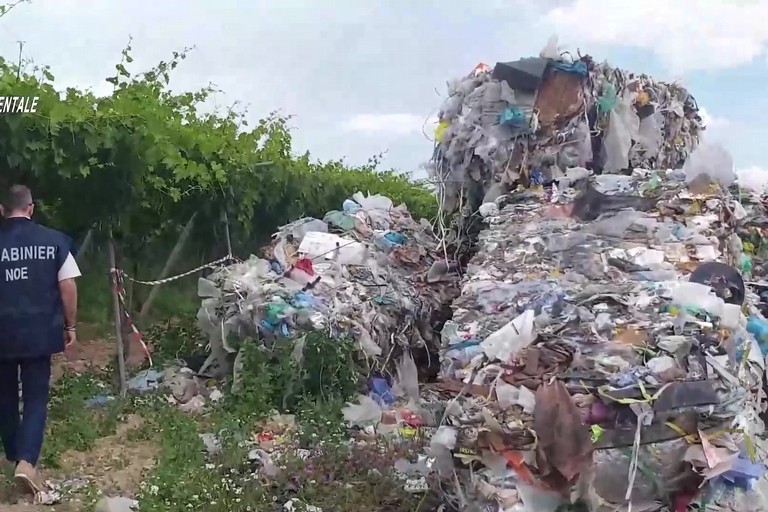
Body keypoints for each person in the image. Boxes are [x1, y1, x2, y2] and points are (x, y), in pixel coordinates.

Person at [0, 185, 81, 493]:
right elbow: (68, 286)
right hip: (39, 332)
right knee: (35, 399)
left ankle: (12, 454)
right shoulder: (54, 242)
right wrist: (70, 325)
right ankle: (27, 462)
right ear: (31, 209)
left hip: (2, 334)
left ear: (1, 210)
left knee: (4, 397)